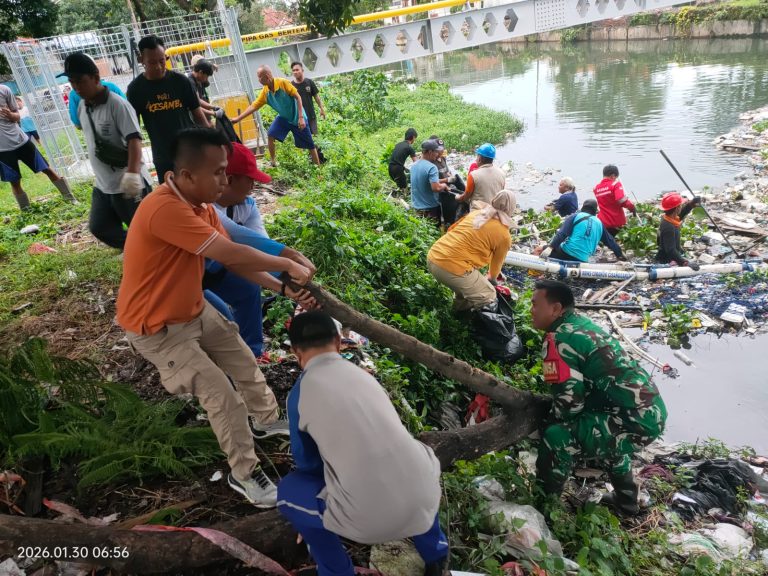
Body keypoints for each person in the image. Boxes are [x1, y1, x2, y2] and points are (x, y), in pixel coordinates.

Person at [116, 127, 316, 508]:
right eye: (218, 172)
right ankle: (244, 473)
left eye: (226, 170)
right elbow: (229, 253)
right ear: (187, 175)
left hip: (192, 306)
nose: (225, 180)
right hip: (157, 328)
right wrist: (285, 262)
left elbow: (236, 255)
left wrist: (282, 286)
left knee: (241, 357)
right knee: (222, 397)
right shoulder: (164, 209)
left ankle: (266, 419)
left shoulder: (202, 206)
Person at [277, 311, 449, 576]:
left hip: (369, 522)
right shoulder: (365, 377)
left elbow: (308, 465)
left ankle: (337, 572)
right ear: (338, 341)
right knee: (409, 461)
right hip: (426, 496)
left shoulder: (300, 394)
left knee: (289, 493)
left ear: (296, 352)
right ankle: (436, 556)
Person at [530, 280, 667, 516]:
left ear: (555, 308)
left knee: (556, 437)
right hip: (650, 411)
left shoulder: (558, 339)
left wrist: (548, 422)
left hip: (635, 419)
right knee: (606, 430)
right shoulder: (582, 325)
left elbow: (569, 403)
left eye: (535, 304)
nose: (530, 310)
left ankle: (543, 511)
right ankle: (626, 502)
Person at [204, 142, 315, 363]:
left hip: (215, 268)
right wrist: (292, 259)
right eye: (250, 179)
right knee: (224, 324)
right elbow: (240, 244)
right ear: (230, 179)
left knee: (247, 288)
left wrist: (287, 288)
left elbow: (259, 247)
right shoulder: (206, 208)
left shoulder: (246, 204)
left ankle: (253, 354)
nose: (254, 186)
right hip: (184, 281)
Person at [62, 52, 152, 250]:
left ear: (95, 77)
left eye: (80, 81)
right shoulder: (83, 106)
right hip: (103, 185)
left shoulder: (117, 105)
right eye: (72, 82)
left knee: (144, 228)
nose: (76, 87)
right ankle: (140, 249)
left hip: (126, 184)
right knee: (99, 227)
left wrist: (133, 174)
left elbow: (135, 140)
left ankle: (153, 253)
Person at [127, 35, 209, 183]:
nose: (158, 66)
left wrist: (211, 142)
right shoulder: (135, 90)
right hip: (163, 157)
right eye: (152, 62)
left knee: (197, 195)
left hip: (189, 151)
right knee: (172, 199)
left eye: (161, 61)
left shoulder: (181, 82)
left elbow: (198, 114)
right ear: (141, 60)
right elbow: (134, 129)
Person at [427, 190, 516, 311]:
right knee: (488, 295)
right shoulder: (504, 235)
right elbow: (494, 272)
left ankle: (458, 317)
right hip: (449, 268)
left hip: (434, 255)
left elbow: (451, 229)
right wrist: (492, 281)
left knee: (469, 289)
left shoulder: (477, 214)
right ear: (511, 209)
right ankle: (480, 326)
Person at [0, 84, 77, 210]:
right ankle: (27, 211)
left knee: (46, 169)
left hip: (21, 141)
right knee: (14, 182)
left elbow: (17, 115)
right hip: (2, 150)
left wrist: (10, 115)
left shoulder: (4, 90)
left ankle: (70, 198)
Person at [231, 65, 319, 167]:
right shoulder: (265, 92)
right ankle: (273, 162)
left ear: (267, 76)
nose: (258, 79)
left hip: (297, 118)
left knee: (310, 145)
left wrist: (301, 117)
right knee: (271, 134)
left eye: (260, 77)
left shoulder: (283, 83)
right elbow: (254, 106)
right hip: (283, 118)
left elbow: (298, 97)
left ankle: (319, 169)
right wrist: (238, 118)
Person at [537, 199, 625, 263]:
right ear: (595, 211)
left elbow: (562, 234)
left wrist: (550, 248)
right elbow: (611, 242)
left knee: (540, 249)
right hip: (583, 259)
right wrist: (620, 255)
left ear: (583, 207)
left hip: (565, 253)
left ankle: (533, 270)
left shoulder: (575, 216)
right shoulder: (599, 224)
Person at [655, 192, 701, 270]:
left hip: (671, 255)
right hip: (667, 260)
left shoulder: (668, 218)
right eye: (680, 205)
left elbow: (680, 215)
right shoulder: (668, 227)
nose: (681, 206)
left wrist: (691, 204)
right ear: (677, 208)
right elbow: (670, 250)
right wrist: (685, 262)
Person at [427, 135, 465, 226]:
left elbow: (447, 171)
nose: (441, 151)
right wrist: (446, 179)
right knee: (446, 213)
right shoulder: (431, 163)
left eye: (442, 149)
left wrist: (450, 176)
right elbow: (433, 182)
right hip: (441, 192)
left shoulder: (443, 159)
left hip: (449, 188)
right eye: (439, 150)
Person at [409, 139, 448, 225]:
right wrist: (444, 185)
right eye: (436, 152)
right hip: (430, 209)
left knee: (423, 233)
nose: (437, 154)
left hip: (417, 208)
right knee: (434, 234)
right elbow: (436, 188)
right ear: (430, 152)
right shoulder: (432, 167)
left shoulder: (414, 165)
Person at [455, 143, 505, 209]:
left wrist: (458, 197)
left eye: (477, 156)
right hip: (495, 211)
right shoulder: (501, 173)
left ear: (479, 159)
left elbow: (466, 196)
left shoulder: (473, 175)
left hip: (479, 212)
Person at [593, 164, 637, 237]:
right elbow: (621, 200)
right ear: (613, 175)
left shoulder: (596, 188)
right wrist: (632, 207)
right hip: (616, 222)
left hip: (603, 222)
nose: (616, 179)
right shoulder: (615, 184)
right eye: (616, 177)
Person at [290, 61, 326, 136]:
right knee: (303, 139)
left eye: (297, 70)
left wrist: (322, 109)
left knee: (315, 137)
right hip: (299, 118)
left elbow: (316, 97)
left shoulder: (309, 82)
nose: (295, 72)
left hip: (311, 115)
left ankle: (317, 148)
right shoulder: (291, 85)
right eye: (293, 70)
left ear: (302, 70)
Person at [388, 127, 417, 191]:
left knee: (401, 185)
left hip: (390, 168)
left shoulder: (398, 144)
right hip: (397, 169)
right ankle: (401, 197)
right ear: (413, 137)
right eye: (415, 138)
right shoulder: (409, 147)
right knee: (404, 189)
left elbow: (397, 158)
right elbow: (416, 163)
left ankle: (398, 194)